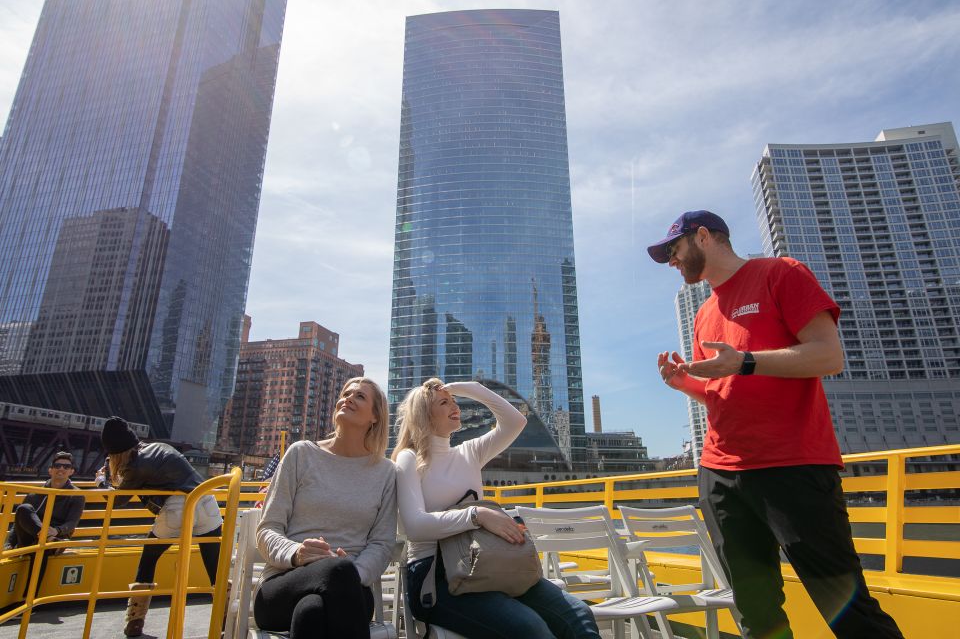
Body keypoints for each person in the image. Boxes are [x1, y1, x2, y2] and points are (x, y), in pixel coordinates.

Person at [647, 209, 903, 638]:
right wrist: (685, 384)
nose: (672, 261)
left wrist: (746, 361)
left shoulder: (781, 273)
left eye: (674, 249)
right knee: (754, 609)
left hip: (791, 464)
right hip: (720, 472)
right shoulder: (704, 311)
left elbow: (828, 356)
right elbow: (721, 393)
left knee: (846, 604)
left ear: (704, 236)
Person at [394, 378, 600, 639]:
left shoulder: (469, 452)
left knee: (578, 614)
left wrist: (471, 389)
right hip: (436, 581)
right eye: (444, 402)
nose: (454, 405)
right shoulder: (409, 458)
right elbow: (414, 526)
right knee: (530, 627)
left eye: (455, 401)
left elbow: (516, 422)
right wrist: (477, 515)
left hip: (491, 566)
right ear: (423, 413)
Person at [255, 377, 397, 639]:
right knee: (336, 572)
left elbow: (382, 544)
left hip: (352, 587)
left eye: (360, 396)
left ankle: (341, 572)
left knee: (312, 611)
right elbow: (267, 530)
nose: (348, 398)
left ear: (376, 416)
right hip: (283, 584)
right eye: (345, 393)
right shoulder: (301, 454)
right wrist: (297, 553)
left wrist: (352, 572)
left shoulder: (386, 472)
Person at [95, 416, 224, 638]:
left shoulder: (135, 465)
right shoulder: (159, 447)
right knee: (215, 567)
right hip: (206, 501)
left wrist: (101, 483)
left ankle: (135, 621)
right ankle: (225, 620)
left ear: (115, 453)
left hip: (179, 506)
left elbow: (117, 499)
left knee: (148, 559)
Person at [4, 451, 85, 596]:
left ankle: (28, 599)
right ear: (50, 469)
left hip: (54, 537)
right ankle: (46, 537)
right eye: (57, 465)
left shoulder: (77, 495)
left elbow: (72, 522)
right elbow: (20, 520)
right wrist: (9, 543)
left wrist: (57, 531)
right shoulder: (34, 493)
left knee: (41, 548)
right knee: (24, 509)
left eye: (66, 467)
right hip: (38, 536)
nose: (61, 469)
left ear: (71, 471)